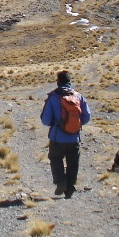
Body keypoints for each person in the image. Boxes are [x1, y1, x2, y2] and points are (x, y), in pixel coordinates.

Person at [40, 70, 91, 199]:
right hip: (74, 137)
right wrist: (75, 124)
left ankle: (61, 181)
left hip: (57, 137)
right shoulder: (78, 96)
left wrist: (57, 124)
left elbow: (45, 120)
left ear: (58, 82)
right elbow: (87, 116)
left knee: (55, 158)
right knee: (73, 162)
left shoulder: (53, 97)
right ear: (69, 82)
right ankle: (70, 188)